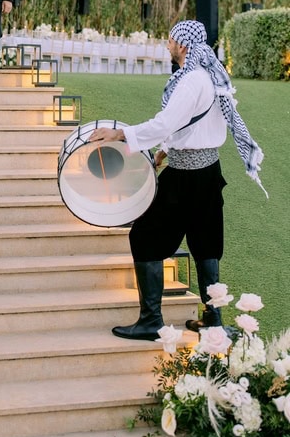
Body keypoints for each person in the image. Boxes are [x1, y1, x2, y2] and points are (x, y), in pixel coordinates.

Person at [89, 19, 266, 341]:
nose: (167, 44)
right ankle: (213, 320)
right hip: (207, 172)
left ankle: (151, 321)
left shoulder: (191, 81)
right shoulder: (209, 76)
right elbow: (190, 125)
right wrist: (163, 152)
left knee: (144, 237)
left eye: (170, 40)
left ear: (182, 45)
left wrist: (120, 133)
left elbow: (166, 123)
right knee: (206, 244)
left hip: (186, 177)